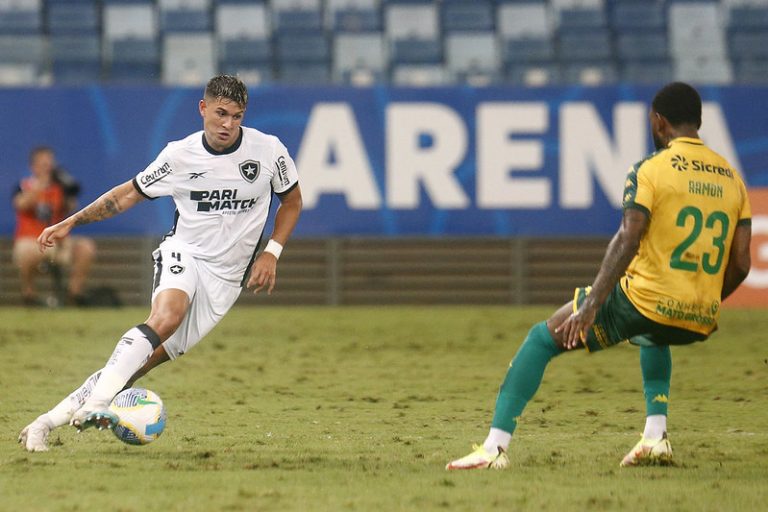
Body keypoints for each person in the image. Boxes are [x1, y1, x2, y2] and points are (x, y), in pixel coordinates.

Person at [446, 82, 752, 470]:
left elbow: (628, 236)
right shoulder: (733, 179)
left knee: (543, 338)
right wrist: (704, 299)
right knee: (652, 332)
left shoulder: (650, 169)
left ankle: (493, 449)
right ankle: (655, 437)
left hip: (646, 300)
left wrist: (592, 305)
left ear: (659, 122)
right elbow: (741, 263)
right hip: (701, 315)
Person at [18, 74, 303, 452]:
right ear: (203, 109)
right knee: (165, 317)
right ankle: (99, 405)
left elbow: (293, 200)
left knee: (140, 364)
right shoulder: (179, 156)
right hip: (184, 252)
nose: (227, 124)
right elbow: (126, 195)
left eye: (236, 116)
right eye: (220, 113)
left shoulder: (268, 151)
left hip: (226, 280)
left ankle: (43, 423)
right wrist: (70, 222)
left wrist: (272, 251)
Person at [12, 146, 96, 306]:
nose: (48, 169)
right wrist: (40, 186)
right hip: (32, 241)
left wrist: (66, 188)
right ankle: (29, 295)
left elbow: (72, 206)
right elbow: (21, 204)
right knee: (25, 252)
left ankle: (74, 295)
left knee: (85, 247)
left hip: (58, 241)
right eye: (43, 165)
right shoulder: (24, 186)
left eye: (50, 165)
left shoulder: (59, 188)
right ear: (33, 167)